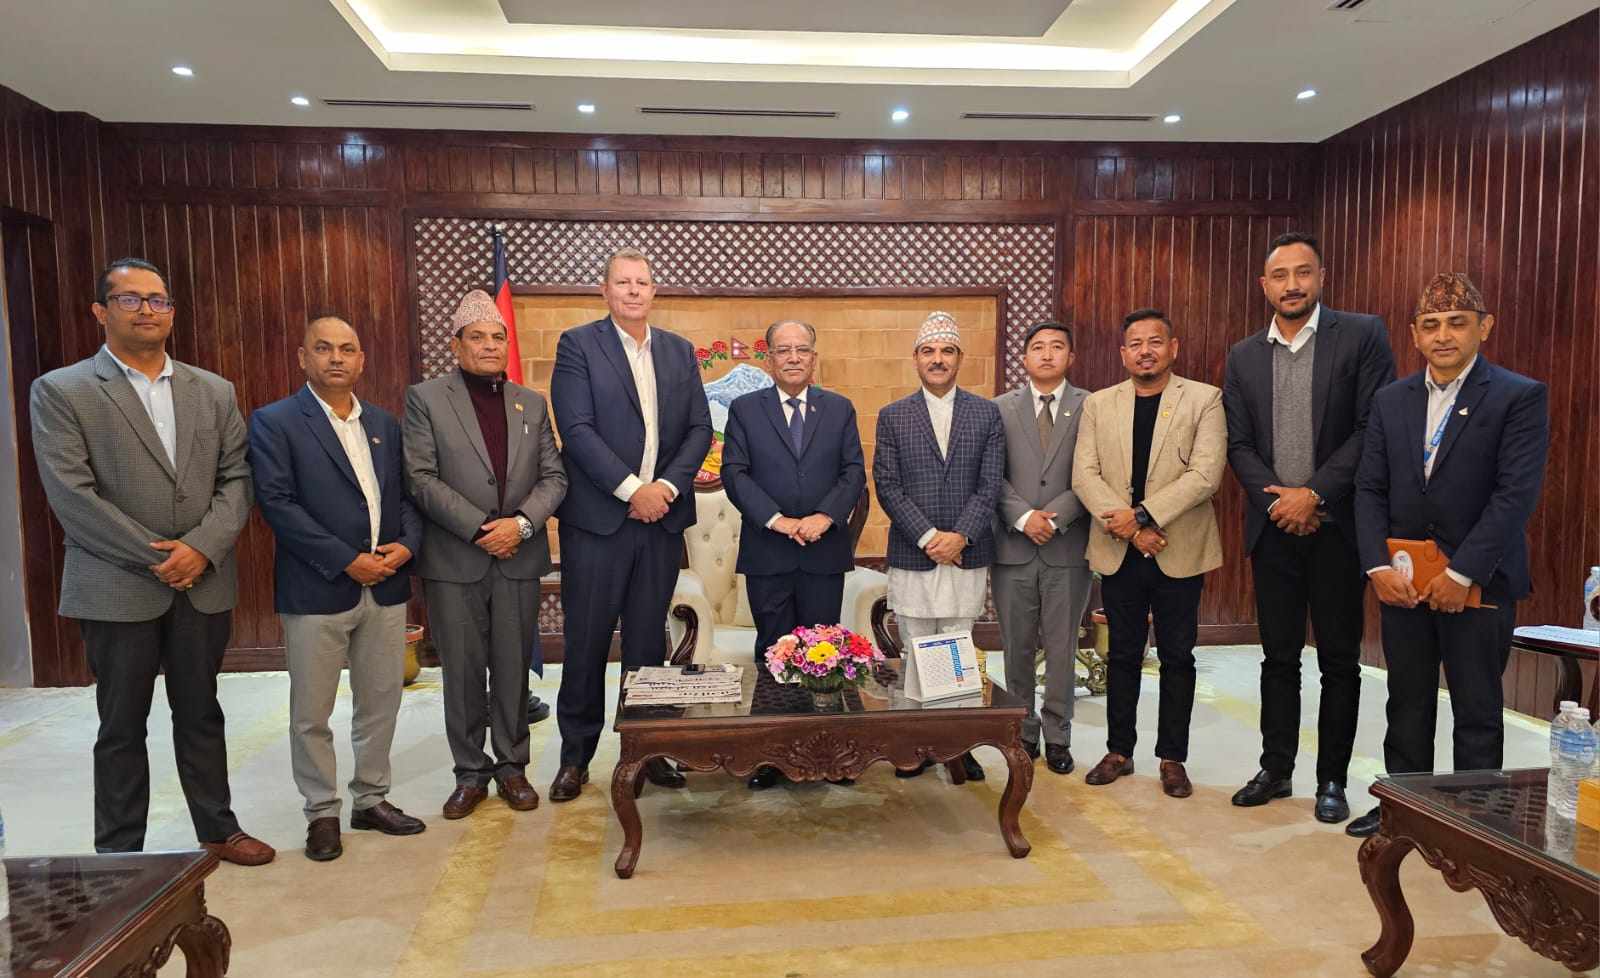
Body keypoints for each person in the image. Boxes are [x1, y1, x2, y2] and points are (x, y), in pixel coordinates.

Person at [29, 258, 272, 864]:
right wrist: (161, 557)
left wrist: (201, 548)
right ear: (100, 311)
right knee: (121, 725)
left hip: (202, 580)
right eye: (130, 298)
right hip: (116, 584)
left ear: (171, 312)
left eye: (158, 300)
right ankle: (119, 856)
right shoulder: (62, 390)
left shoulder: (213, 390)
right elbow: (72, 495)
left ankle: (217, 828)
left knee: (201, 713)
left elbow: (237, 479)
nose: (146, 310)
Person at [1346, 273, 1549, 838]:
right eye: (1431, 325)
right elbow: (1370, 489)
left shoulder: (1517, 396)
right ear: (1414, 334)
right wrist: (1376, 567)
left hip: (1479, 583)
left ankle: (1476, 825)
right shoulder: (1391, 400)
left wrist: (1461, 573)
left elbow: (1515, 495)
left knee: (1476, 708)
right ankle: (1404, 810)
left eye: (1457, 323)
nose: (1443, 336)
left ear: (1485, 328)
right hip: (1404, 581)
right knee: (1406, 701)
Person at [1221, 231, 1396, 824]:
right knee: (1277, 658)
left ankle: (1332, 780)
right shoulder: (1243, 355)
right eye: (1280, 275)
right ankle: (1275, 768)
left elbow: (1373, 426)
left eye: (1302, 273)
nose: (1292, 284)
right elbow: (1239, 443)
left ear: (1321, 277)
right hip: (1273, 528)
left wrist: (1314, 493)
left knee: (1339, 661)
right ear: (1264, 285)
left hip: (1337, 526)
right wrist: (1280, 503)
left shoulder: (1362, 335)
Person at [248, 315, 427, 861]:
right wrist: (346, 560)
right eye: (323, 348)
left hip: (385, 586)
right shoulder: (276, 422)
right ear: (303, 357)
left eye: (347, 349)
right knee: (312, 712)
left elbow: (406, 496)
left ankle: (370, 798)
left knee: (381, 701)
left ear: (361, 360)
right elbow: (278, 504)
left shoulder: (384, 424)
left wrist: (407, 545)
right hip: (317, 588)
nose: (336, 358)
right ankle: (321, 811)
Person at [548, 248, 712, 801]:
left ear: (654, 291)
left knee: (647, 642)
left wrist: (664, 489)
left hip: (660, 520)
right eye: (623, 282)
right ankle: (576, 758)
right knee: (587, 642)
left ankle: (648, 750)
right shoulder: (578, 345)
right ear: (605, 291)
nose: (634, 290)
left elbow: (699, 428)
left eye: (642, 282)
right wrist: (630, 490)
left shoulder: (678, 351)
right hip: (599, 522)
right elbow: (576, 428)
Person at [404, 290, 567, 819]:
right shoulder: (426, 399)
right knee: (463, 672)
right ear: (456, 345)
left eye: (498, 337)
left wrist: (520, 525)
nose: (490, 346)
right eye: (477, 337)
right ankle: (470, 773)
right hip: (456, 560)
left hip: (519, 555)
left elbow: (554, 477)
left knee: (513, 667)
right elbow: (420, 477)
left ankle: (512, 767)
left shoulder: (530, 402)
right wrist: (480, 529)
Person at [1072, 308, 1226, 799]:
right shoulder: (1099, 404)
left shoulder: (1203, 399)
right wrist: (1130, 528)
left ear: (1173, 348)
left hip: (1177, 546)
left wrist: (1142, 516)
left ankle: (1172, 757)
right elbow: (1085, 475)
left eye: (1155, 341)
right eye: (1135, 343)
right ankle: (1119, 750)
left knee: (1178, 655)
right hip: (1120, 548)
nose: (1145, 351)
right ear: (1123, 354)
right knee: (1122, 653)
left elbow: (1205, 475)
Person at [721, 319, 867, 790]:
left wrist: (825, 516)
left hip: (824, 551)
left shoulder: (839, 408)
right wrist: (777, 520)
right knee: (774, 651)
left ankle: (828, 754)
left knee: (825, 653)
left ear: (814, 357)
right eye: (783, 350)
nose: (793, 357)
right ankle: (771, 755)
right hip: (769, 552)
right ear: (770, 358)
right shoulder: (745, 409)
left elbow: (853, 472)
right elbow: (735, 473)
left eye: (801, 349)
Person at [873, 312, 1004, 782]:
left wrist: (960, 536)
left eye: (947, 351)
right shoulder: (893, 416)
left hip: (966, 553)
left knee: (956, 649)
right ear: (915, 358)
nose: (938, 359)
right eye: (928, 351)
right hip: (915, 553)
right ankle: (916, 744)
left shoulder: (986, 413)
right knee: (915, 648)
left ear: (959, 358)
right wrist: (930, 538)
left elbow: (990, 485)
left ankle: (957, 746)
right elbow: (887, 486)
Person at [991, 321, 1093, 776]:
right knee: (1016, 646)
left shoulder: (1092, 406)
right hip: (1013, 546)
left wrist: (1053, 517)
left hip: (1066, 546)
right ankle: (1022, 730)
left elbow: (1096, 471)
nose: (1047, 354)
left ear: (1071, 356)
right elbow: (989, 473)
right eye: (1037, 347)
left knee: (1061, 646)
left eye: (1057, 347)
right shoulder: (999, 409)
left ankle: (1057, 735)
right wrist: (1022, 517)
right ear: (1024, 358)